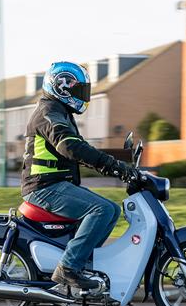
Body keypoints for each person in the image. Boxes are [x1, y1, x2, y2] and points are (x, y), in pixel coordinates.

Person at [21, 61, 138, 289]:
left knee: (112, 209)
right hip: (44, 188)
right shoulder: (48, 113)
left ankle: (82, 263)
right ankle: (69, 268)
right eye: (79, 91)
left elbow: (78, 148)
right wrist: (111, 165)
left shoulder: (59, 111)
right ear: (62, 87)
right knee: (101, 209)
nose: (84, 96)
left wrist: (116, 166)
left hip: (54, 185)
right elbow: (71, 147)